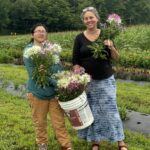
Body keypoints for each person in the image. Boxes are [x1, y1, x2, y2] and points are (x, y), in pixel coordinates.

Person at [72, 7, 128, 150]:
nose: (89, 20)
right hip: (88, 83)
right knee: (92, 111)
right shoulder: (79, 38)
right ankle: (95, 141)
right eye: (86, 18)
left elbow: (116, 58)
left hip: (105, 79)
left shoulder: (106, 35)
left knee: (111, 110)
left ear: (97, 19)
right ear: (83, 21)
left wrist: (111, 47)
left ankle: (120, 141)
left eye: (91, 17)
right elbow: (75, 62)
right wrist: (80, 78)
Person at [23, 23, 72, 150]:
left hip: (53, 93)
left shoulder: (51, 48)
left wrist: (62, 79)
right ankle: (42, 145)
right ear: (32, 34)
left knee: (59, 122)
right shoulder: (28, 51)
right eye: (38, 31)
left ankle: (66, 146)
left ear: (46, 34)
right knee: (40, 122)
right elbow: (34, 74)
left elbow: (58, 67)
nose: (41, 33)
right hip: (37, 93)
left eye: (43, 31)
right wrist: (59, 84)